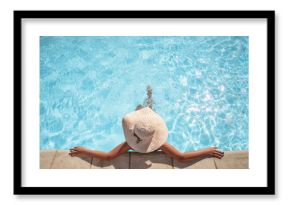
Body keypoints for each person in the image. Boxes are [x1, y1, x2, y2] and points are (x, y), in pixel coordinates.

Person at [69, 87, 224, 162]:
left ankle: (147, 100)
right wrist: (208, 150)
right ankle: (149, 97)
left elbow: (108, 156)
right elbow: (181, 157)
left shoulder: (128, 144)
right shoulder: (161, 144)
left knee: (142, 109)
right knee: (148, 109)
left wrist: (84, 150)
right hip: (147, 127)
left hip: (142, 127)